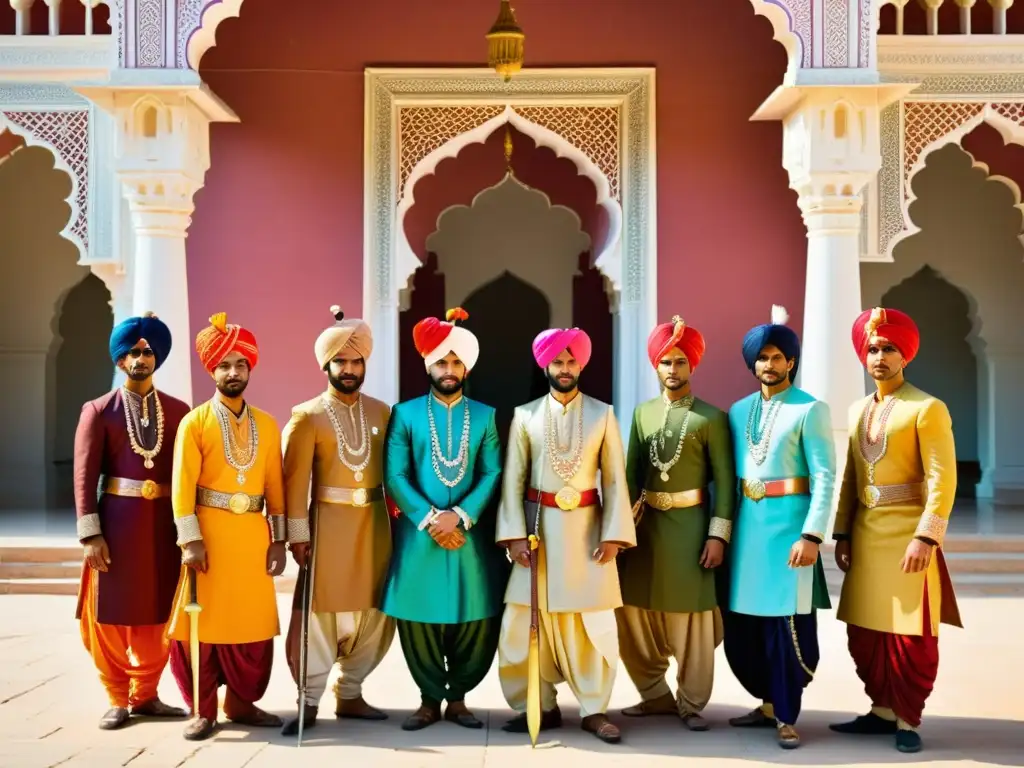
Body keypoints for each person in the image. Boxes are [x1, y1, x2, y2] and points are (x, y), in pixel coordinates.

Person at [829, 307, 962, 754]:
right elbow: (850, 477)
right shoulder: (858, 409)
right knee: (864, 633)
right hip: (865, 536)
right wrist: (843, 533)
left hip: (908, 535)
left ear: (904, 355)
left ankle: (908, 719)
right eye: (872, 349)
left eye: (888, 349)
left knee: (910, 636)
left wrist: (927, 537)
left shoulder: (927, 407)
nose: (879, 356)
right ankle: (881, 711)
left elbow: (944, 479)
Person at [496, 327, 636, 745]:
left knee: (591, 624)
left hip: (587, 535)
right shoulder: (525, 415)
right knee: (523, 622)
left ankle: (595, 709)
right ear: (546, 365)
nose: (565, 368)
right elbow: (513, 480)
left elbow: (615, 481)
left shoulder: (603, 414)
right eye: (557, 362)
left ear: (582, 364)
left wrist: (615, 534)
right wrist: (514, 536)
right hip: (538, 535)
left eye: (571, 361)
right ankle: (537, 705)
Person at [381, 307, 506, 731]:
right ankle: (428, 699)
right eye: (441, 361)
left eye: (456, 362)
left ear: (466, 366)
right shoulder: (405, 414)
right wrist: (431, 519)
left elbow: (492, 471)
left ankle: (458, 699)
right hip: (421, 536)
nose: (449, 369)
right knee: (419, 619)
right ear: (427, 364)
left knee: (474, 617)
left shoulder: (487, 416)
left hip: (470, 536)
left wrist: (462, 515)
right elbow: (395, 474)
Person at [165, 313, 287, 741]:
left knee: (252, 624)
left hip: (253, 539)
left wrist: (280, 540)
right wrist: (190, 540)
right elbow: (181, 488)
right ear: (211, 370)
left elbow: (277, 487)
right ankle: (203, 709)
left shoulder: (269, 425)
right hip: (209, 540)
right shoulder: (194, 423)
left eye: (240, 364)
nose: (232, 372)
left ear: (250, 369)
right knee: (201, 626)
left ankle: (242, 702)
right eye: (224, 365)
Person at [723, 305, 835, 749]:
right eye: (761, 357)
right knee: (746, 629)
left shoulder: (810, 409)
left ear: (791, 361)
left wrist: (811, 536)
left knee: (786, 628)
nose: (768, 365)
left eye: (777, 357)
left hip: (789, 537)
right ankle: (767, 703)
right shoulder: (738, 410)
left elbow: (825, 475)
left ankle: (787, 715)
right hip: (747, 538)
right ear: (753, 363)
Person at [616, 316, 735, 730]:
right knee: (634, 613)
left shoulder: (711, 418)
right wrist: (620, 531)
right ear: (655, 365)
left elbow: (724, 482)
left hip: (690, 531)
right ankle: (654, 696)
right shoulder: (642, 414)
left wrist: (717, 536)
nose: (673, 370)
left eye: (680, 362)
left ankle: (691, 702)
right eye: (666, 362)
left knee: (691, 618)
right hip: (645, 532)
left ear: (693, 366)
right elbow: (630, 477)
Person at [281, 307, 396, 735]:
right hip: (326, 527)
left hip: (375, 527)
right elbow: (294, 483)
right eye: (340, 362)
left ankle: (350, 693)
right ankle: (308, 700)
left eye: (356, 361)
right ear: (325, 365)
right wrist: (296, 535)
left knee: (373, 612)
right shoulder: (306, 415)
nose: (349, 370)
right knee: (322, 614)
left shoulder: (383, 413)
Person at [73, 313, 190, 730]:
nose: (141, 359)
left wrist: (188, 532)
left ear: (157, 357)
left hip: (162, 527)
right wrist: (91, 534)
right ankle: (117, 697)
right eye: (133, 353)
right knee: (110, 612)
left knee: (159, 611)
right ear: (120, 360)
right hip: (116, 527)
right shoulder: (99, 411)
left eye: (148, 352)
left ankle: (147, 695)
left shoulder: (179, 412)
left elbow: (187, 474)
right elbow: (85, 476)